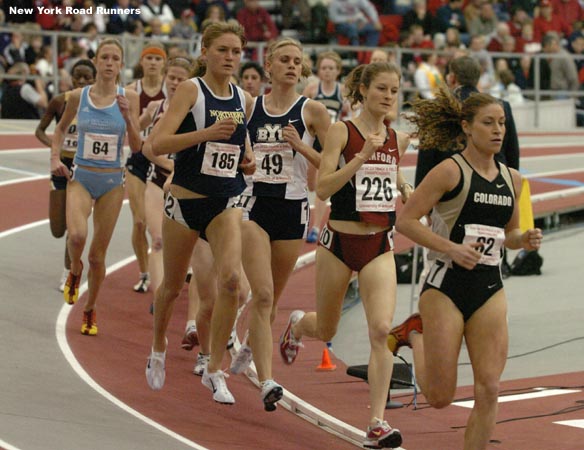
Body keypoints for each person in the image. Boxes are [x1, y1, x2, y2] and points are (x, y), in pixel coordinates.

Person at [391, 86, 543, 450]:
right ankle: (414, 333)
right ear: (467, 127)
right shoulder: (448, 171)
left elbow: (508, 233)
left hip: (489, 287)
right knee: (441, 396)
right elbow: (407, 222)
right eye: (488, 123)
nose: (498, 130)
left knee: (489, 387)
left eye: (502, 123)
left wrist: (523, 240)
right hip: (446, 286)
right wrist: (452, 249)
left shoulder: (514, 179)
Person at [279, 62, 412, 449]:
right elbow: (323, 189)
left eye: (394, 90)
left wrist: (403, 184)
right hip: (339, 243)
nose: (388, 97)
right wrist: (360, 158)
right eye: (382, 89)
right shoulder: (343, 131)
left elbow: (389, 176)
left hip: (378, 244)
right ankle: (299, 324)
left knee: (381, 330)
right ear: (364, 91)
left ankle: (376, 422)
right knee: (328, 330)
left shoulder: (398, 138)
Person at [144, 21, 255, 405]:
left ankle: (214, 368)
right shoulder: (192, 91)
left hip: (225, 201)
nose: (229, 58)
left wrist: (247, 160)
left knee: (231, 284)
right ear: (204, 52)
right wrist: (205, 134)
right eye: (222, 50)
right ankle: (158, 346)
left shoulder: (244, 99)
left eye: (235, 52)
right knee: (173, 287)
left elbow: (241, 146)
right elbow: (159, 142)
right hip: (186, 201)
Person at [229, 37, 330, 411]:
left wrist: (301, 146)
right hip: (254, 205)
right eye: (283, 60)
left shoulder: (313, 112)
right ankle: (268, 379)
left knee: (270, 300)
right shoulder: (251, 107)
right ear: (268, 65)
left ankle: (249, 349)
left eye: (297, 61)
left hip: (293, 209)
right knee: (265, 293)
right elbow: (237, 150)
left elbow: (333, 167)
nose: (291, 65)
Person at [50, 38, 141, 335]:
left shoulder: (129, 96)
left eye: (116, 58)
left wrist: (128, 117)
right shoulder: (79, 96)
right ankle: (74, 270)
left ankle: (90, 309)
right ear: (97, 61)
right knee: (76, 236)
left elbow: (138, 145)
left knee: (98, 256)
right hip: (82, 177)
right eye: (105, 57)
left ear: (121, 64)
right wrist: (54, 158)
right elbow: (60, 128)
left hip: (113, 182)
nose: (110, 63)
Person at [35, 59, 96, 291]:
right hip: (61, 167)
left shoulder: (98, 104)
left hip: (83, 169)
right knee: (58, 229)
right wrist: (54, 146)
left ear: (94, 79)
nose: (81, 81)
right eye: (77, 76)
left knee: (74, 226)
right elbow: (39, 130)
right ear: (70, 78)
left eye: (87, 77)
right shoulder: (60, 101)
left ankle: (69, 272)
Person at [140, 55, 197, 306]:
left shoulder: (197, 111)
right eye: (171, 78)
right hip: (157, 181)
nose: (175, 83)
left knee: (190, 246)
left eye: (180, 79)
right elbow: (147, 149)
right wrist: (171, 165)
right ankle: (158, 298)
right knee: (159, 240)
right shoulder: (159, 108)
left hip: (186, 186)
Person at [125, 42, 167, 294]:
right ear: (142, 62)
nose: (152, 62)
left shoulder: (173, 91)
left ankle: (169, 267)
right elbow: (131, 129)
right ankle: (143, 272)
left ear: (164, 63)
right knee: (139, 222)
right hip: (139, 159)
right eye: (148, 58)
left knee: (169, 225)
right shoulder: (132, 91)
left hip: (165, 159)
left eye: (157, 58)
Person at [302, 51, 346, 243]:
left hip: (330, 141)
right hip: (313, 139)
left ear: (337, 71)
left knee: (321, 184)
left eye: (331, 68)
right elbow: (300, 112)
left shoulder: (342, 91)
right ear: (319, 71)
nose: (327, 72)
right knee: (310, 184)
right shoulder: (312, 90)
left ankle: (315, 227)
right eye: (324, 68)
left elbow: (351, 114)